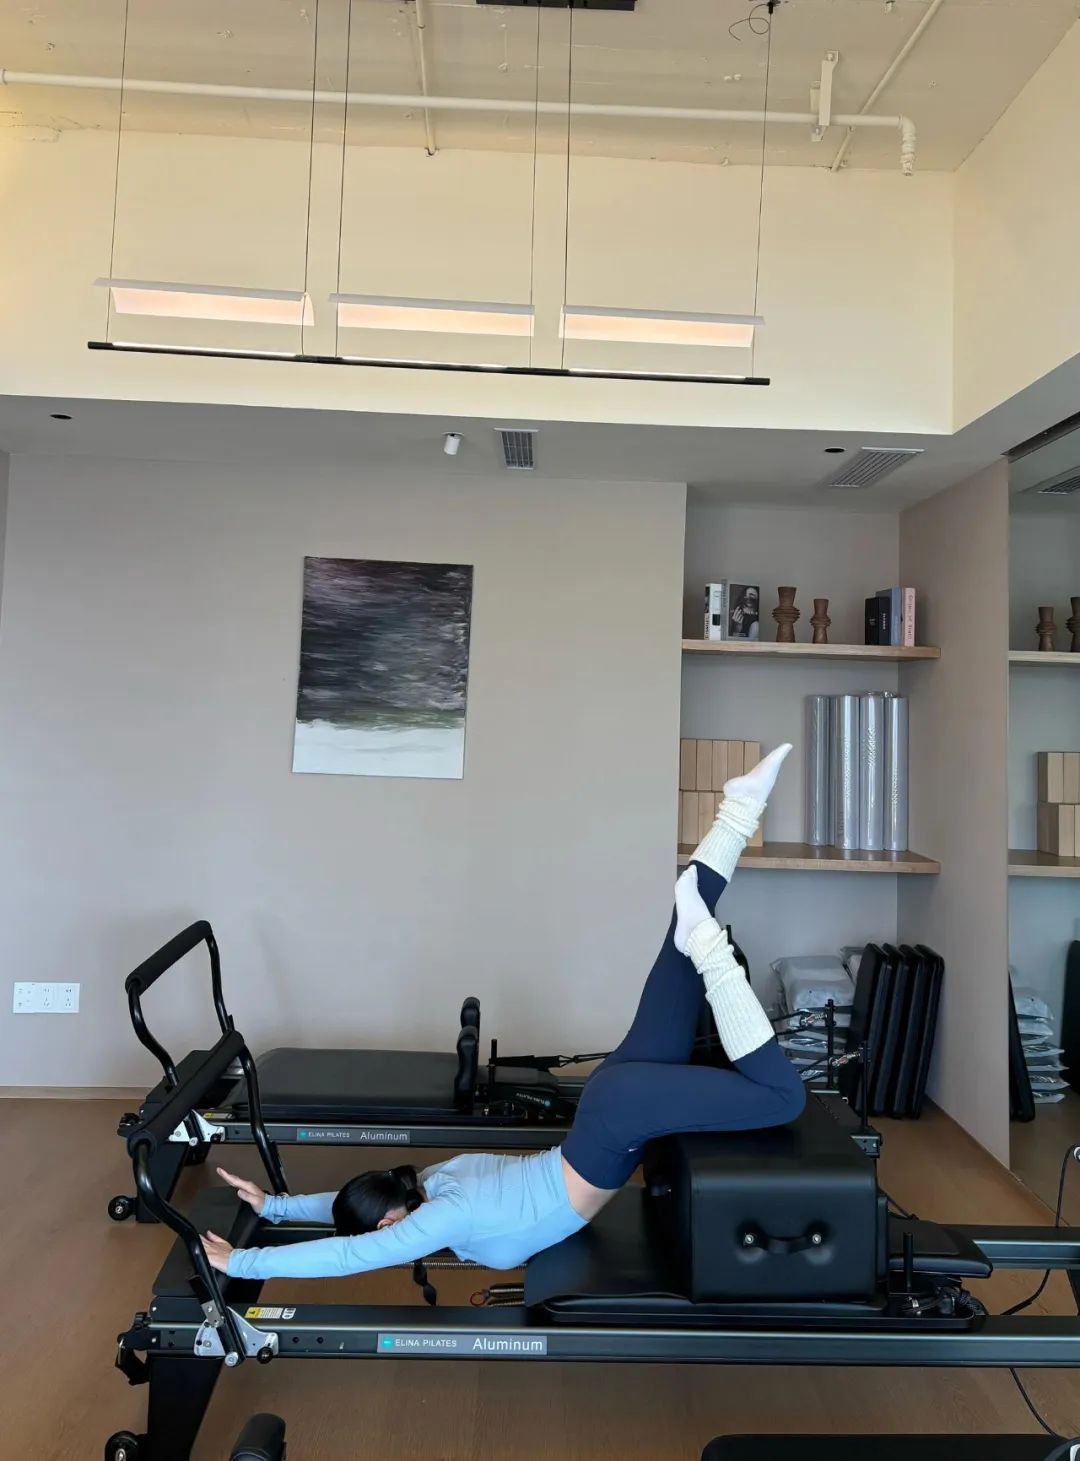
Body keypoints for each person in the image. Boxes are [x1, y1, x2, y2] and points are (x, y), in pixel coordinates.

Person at [202, 744, 805, 1282]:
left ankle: (712, 939)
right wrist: (275, 1206)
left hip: (618, 1119)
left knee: (782, 1097)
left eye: (382, 1233)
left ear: (389, 1223)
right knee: (682, 926)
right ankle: (738, 810)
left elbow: (346, 1255)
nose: (385, 1242)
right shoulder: (429, 1182)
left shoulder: (437, 1217)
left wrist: (243, 1261)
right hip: (606, 1112)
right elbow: (352, 1209)